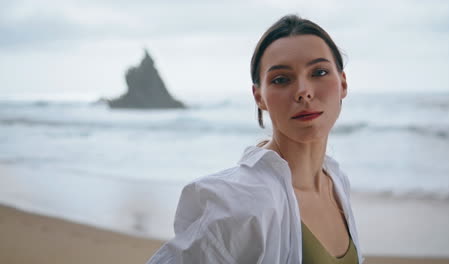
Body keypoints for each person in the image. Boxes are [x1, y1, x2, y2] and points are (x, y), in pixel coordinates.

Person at [146, 14, 364, 264]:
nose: (304, 91)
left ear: (343, 83)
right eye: (281, 79)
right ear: (259, 97)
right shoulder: (239, 203)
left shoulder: (336, 182)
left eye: (320, 72)